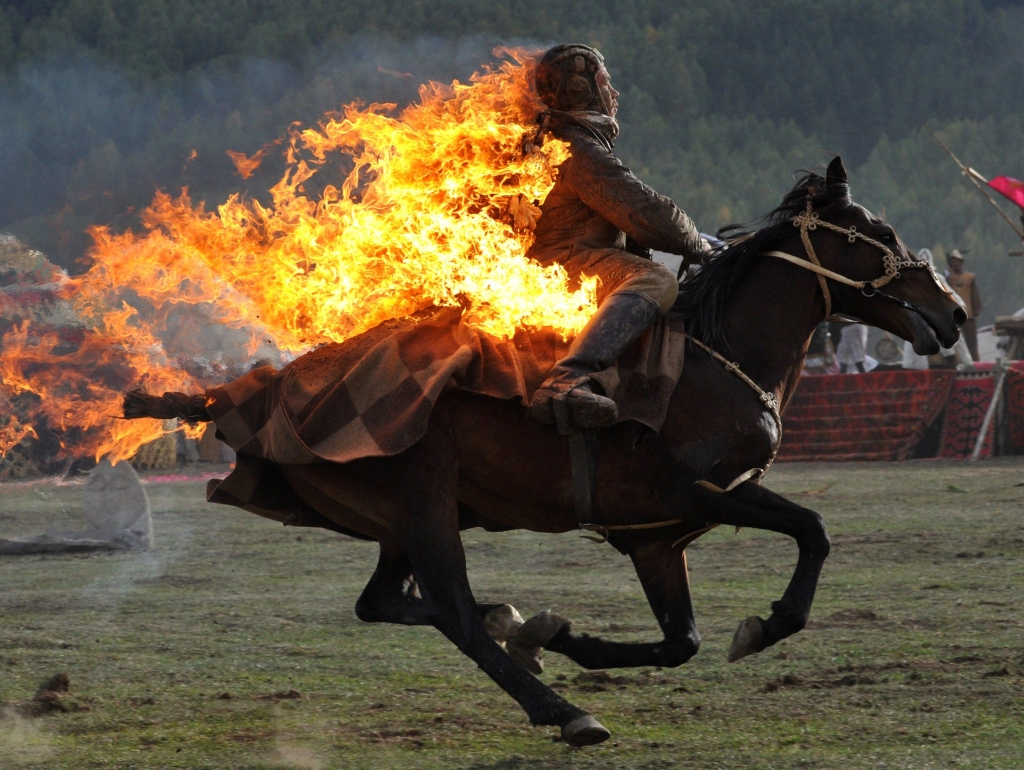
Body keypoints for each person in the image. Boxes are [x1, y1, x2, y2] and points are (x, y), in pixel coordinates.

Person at [525, 44, 709, 431]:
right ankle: (568, 380)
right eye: (607, 84)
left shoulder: (562, 141)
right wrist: (702, 245)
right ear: (581, 91)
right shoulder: (579, 150)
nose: (615, 94)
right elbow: (651, 216)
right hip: (563, 264)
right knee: (655, 279)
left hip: (558, 261)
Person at [944, 248, 983, 362]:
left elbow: (974, 294)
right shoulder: (948, 277)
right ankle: (958, 363)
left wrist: (976, 309)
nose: (956, 263)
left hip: (968, 314)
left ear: (962, 262)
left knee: (972, 342)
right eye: (953, 261)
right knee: (955, 343)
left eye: (958, 261)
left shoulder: (970, 277)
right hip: (954, 316)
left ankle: (975, 363)